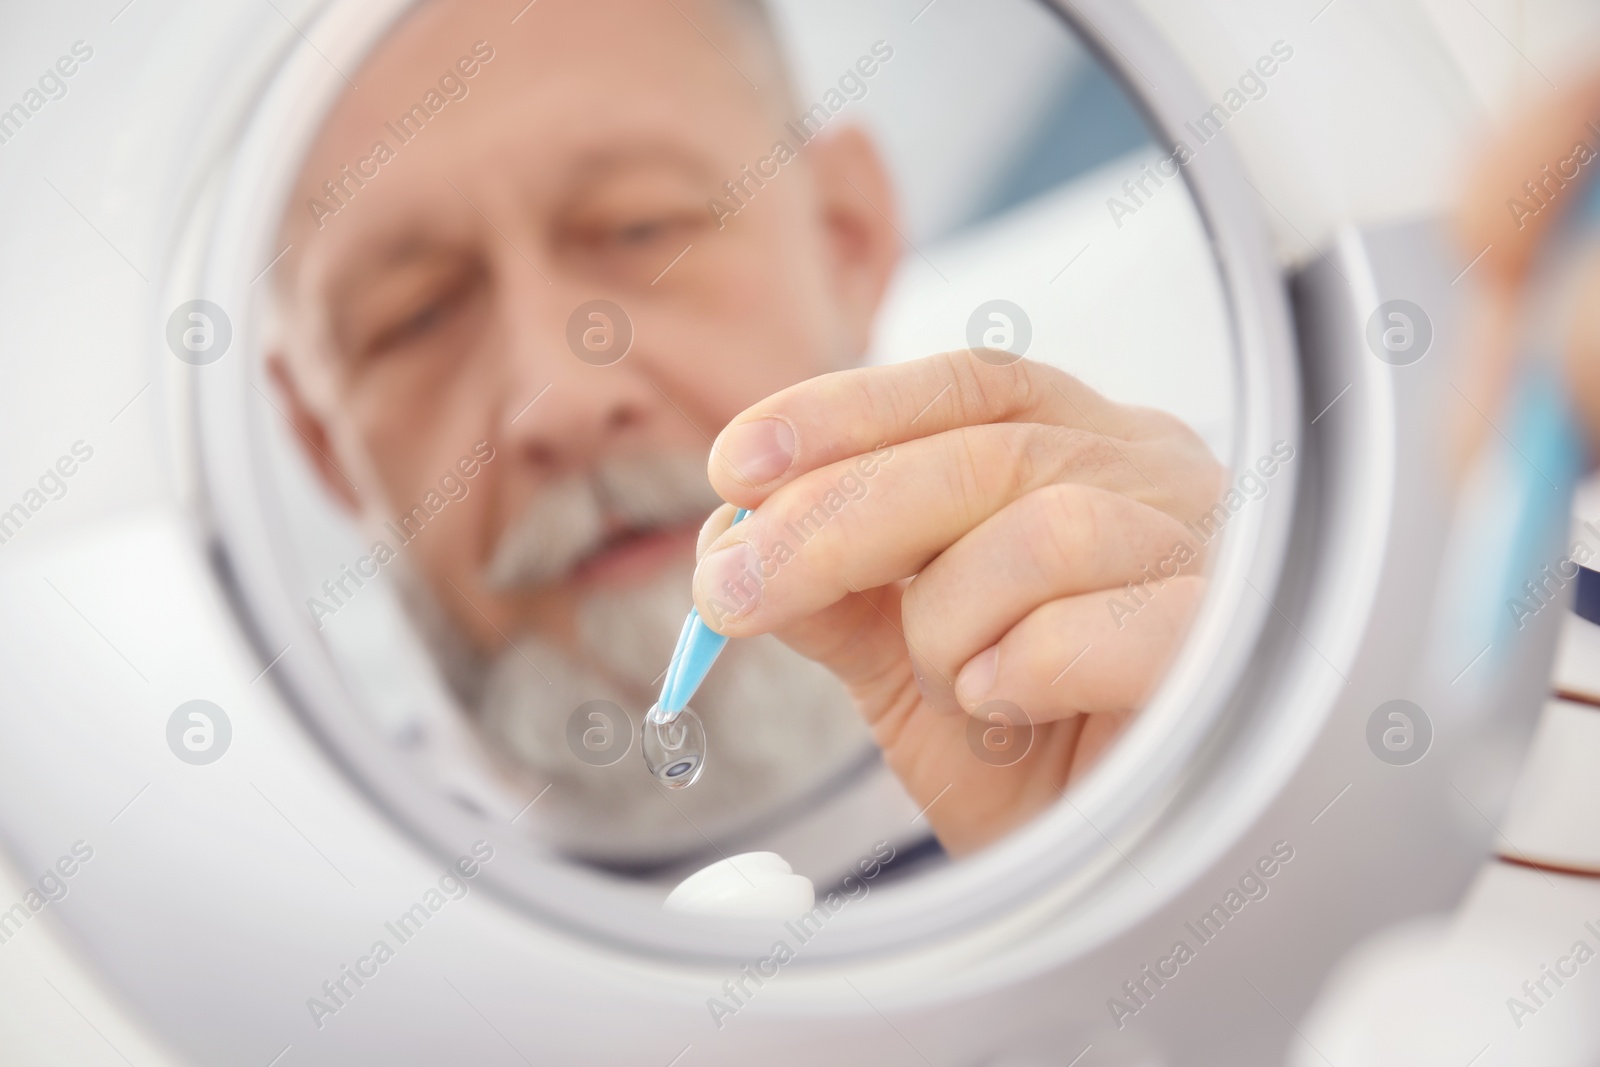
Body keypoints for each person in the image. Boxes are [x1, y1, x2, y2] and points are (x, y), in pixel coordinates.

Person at [267, 0, 1222, 872]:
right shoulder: (296, 936)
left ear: (846, 236)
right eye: (414, 315)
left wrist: (1218, 783)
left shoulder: (1189, 667)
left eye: (641, 228)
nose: (555, 400)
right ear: (322, 445)